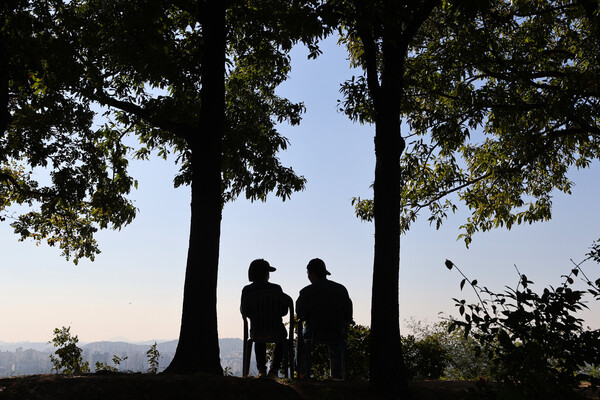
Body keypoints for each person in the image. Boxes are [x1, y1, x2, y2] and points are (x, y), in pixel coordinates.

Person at [296, 258, 353, 379]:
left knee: (301, 337)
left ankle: (302, 373)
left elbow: (300, 314)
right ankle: (337, 375)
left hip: (314, 332)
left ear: (312, 273)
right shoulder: (341, 290)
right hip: (336, 331)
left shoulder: (306, 292)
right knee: (336, 341)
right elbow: (348, 315)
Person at [240, 259, 289, 377]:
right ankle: (274, 369)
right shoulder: (277, 289)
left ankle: (261, 370)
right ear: (266, 273)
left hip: (257, 331)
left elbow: (244, 311)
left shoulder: (247, 290)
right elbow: (284, 311)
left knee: (258, 335)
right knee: (283, 336)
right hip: (277, 330)